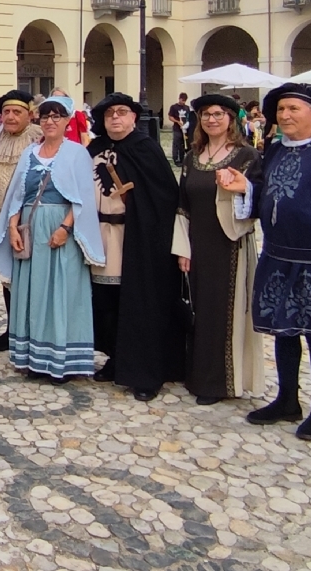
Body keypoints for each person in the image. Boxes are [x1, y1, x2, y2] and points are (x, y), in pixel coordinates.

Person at [218, 83, 311, 441]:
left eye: (293, 109)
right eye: (281, 110)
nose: (284, 116)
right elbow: (267, 194)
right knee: (284, 331)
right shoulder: (274, 149)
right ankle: (287, 400)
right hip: (278, 255)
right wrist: (244, 188)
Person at [0, 96, 104, 380]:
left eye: (57, 116)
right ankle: (33, 358)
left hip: (61, 230)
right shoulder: (31, 153)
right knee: (32, 293)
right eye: (45, 116)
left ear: (67, 121)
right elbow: (18, 194)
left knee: (60, 293)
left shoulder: (77, 153)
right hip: (31, 228)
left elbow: (81, 198)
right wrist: (14, 227)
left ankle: (61, 361)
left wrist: (65, 228)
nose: (50, 121)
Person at [88, 93, 183, 401]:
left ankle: (147, 372)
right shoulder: (96, 148)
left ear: (133, 117)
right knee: (107, 302)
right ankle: (116, 359)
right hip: (100, 235)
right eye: (109, 114)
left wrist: (138, 204)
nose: (115, 117)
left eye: (121, 112)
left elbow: (164, 196)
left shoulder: (146, 149)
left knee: (140, 303)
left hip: (136, 238)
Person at [171, 94, 264, 405]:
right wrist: (183, 248)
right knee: (199, 310)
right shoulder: (192, 157)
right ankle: (196, 374)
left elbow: (256, 202)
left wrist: (241, 190)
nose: (211, 120)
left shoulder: (245, 156)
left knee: (223, 312)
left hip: (230, 243)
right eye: (206, 115)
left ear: (231, 119)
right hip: (197, 243)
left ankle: (220, 382)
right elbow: (182, 206)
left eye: (218, 114)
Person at [0, 89, 40, 351]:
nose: (11, 116)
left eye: (17, 112)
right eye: (6, 112)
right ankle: (12, 330)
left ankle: (35, 331)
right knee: (7, 276)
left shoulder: (38, 138)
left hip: (30, 219)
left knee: (32, 276)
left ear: (30, 114)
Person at [167, 92, 191, 167]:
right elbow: (170, 117)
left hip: (185, 129)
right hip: (177, 129)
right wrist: (178, 122)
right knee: (176, 144)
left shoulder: (187, 108)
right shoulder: (174, 107)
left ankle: (181, 159)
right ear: (179, 99)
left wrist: (187, 124)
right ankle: (175, 159)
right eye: (182, 100)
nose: (183, 102)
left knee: (183, 144)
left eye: (184, 101)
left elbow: (188, 117)